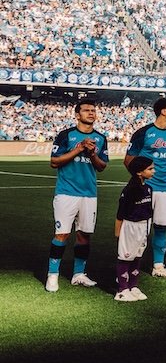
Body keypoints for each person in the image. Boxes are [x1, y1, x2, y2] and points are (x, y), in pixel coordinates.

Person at [46, 99, 109, 292]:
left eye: (93, 110)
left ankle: (79, 274)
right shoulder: (66, 136)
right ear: (77, 114)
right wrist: (79, 149)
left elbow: (102, 167)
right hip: (66, 193)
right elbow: (54, 162)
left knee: (84, 236)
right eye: (86, 110)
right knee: (62, 234)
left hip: (89, 194)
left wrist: (91, 154)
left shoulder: (100, 138)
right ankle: (53, 274)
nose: (91, 113)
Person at [123, 97, 166, 280]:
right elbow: (129, 160)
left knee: (162, 227)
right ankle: (128, 266)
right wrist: (142, 179)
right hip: (145, 188)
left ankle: (158, 266)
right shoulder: (143, 133)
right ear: (163, 111)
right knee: (139, 228)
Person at [115, 156, 155, 302]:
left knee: (137, 256)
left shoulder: (149, 189)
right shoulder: (129, 190)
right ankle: (122, 290)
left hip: (143, 226)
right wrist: (118, 232)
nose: (153, 171)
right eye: (150, 169)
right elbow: (121, 213)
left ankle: (133, 286)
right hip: (130, 226)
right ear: (139, 172)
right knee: (125, 257)